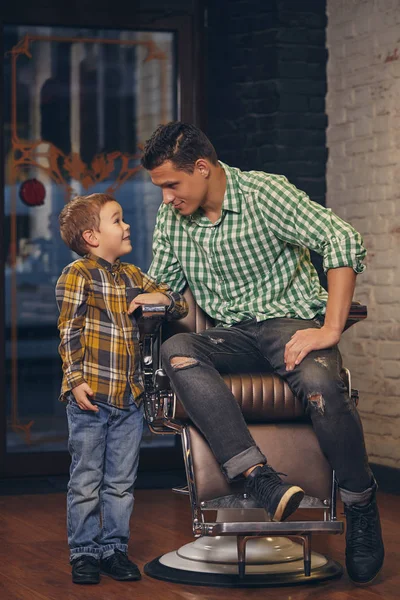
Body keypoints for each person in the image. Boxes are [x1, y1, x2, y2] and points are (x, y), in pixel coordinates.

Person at [139, 121, 384, 585]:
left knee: (321, 386)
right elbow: (166, 284)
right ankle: (257, 476)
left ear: (203, 168)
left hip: (287, 324)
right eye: (161, 189)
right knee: (178, 348)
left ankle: (360, 503)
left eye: (172, 184)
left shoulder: (263, 194)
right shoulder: (173, 217)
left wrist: (329, 328)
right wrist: (151, 298)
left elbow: (341, 239)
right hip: (229, 334)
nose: (166, 198)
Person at [56, 193, 187, 585]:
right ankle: (83, 552)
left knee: (121, 482)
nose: (126, 225)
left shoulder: (132, 275)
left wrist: (160, 296)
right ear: (93, 236)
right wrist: (76, 380)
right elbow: (69, 331)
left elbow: (177, 304)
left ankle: (114, 549)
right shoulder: (77, 274)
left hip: (129, 399)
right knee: (85, 480)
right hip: (91, 399)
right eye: (117, 220)